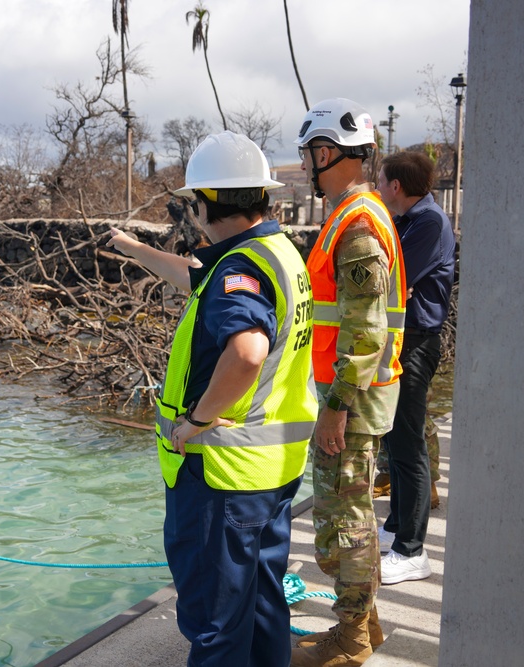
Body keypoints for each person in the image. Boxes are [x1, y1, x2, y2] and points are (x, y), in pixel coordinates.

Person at [106, 131, 317, 667]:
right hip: (271, 471)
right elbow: (197, 278)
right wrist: (133, 249)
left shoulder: (240, 268)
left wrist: (198, 420)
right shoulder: (276, 253)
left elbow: (246, 352)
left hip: (223, 475)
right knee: (263, 603)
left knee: (215, 623)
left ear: (202, 204)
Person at [290, 98, 405, 667]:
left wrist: (335, 406)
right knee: (346, 514)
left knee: (347, 521)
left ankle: (351, 638)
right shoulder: (358, 214)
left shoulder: (356, 226)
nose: (310, 164)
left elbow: (365, 333)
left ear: (328, 151)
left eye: (312, 152)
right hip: (355, 396)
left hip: (352, 400)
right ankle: (367, 625)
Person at [374, 151, 455, 585]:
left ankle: (412, 549)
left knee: (408, 445)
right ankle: (395, 529)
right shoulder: (409, 219)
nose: (378, 186)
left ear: (396, 187)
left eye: (381, 180)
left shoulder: (428, 222)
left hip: (418, 342)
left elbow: (393, 275)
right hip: (402, 340)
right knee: (395, 439)